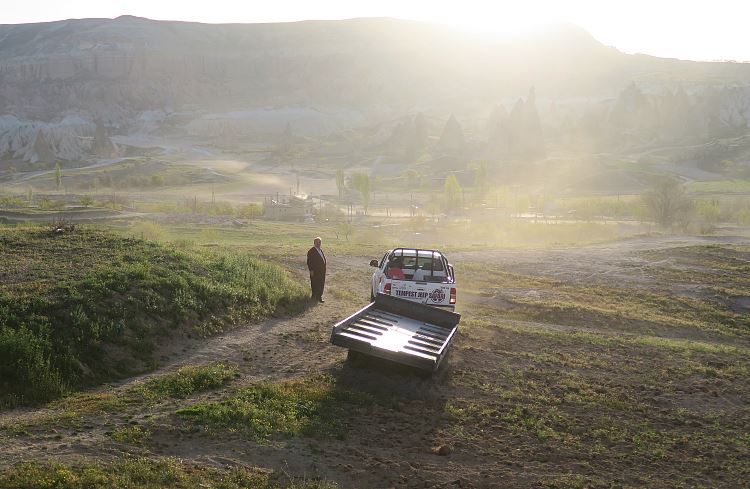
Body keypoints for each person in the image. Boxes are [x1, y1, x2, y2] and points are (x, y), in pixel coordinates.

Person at [306, 236, 326, 302]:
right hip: (315, 271)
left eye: (320, 242)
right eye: (317, 242)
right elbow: (309, 262)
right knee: (315, 284)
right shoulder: (311, 251)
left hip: (322, 271)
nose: (319, 243)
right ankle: (314, 297)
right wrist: (311, 270)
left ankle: (319, 297)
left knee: (321, 284)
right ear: (314, 243)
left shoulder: (320, 250)